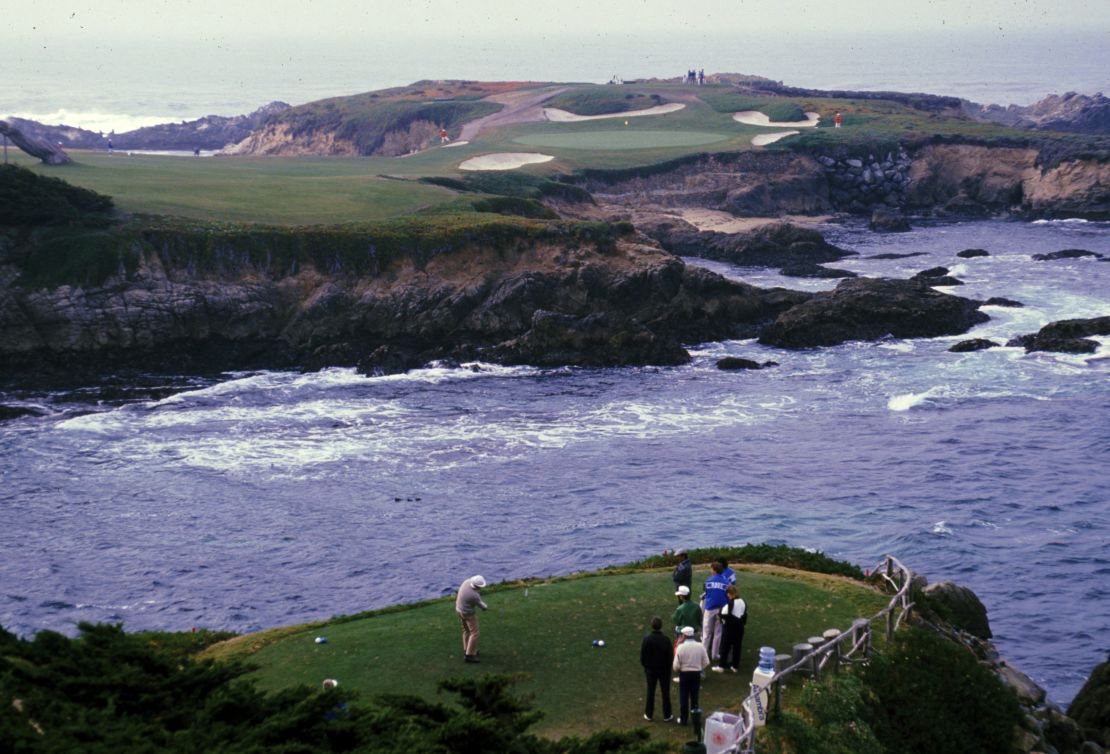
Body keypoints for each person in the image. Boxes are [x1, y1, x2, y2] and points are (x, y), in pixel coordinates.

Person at [673, 626, 710, 726]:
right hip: (696, 674)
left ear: (684, 636)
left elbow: (676, 666)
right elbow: (706, 662)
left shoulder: (680, 647)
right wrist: (698, 667)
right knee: (695, 697)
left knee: (684, 697)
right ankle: (695, 718)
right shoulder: (700, 646)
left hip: (684, 675)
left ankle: (683, 719)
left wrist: (679, 670)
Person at [640, 616, 674, 722]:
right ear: (661, 626)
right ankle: (667, 715)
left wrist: (646, 667)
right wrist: (668, 668)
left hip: (650, 670)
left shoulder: (647, 639)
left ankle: (649, 714)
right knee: (665, 692)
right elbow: (670, 656)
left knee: (650, 691)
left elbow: (643, 656)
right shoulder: (666, 640)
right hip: (664, 670)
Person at [713, 584, 747, 672]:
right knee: (737, 647)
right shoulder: (743, 602)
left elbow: (725, 616)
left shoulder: (730, 604)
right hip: (740, 628)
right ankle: (735, 666)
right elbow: (744, 615)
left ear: (730, 593)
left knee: (725, 647)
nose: (727, 595)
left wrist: (719, 617)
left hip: (730, 628)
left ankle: (721, 666)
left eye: (728, 593)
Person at [455, 574, 488, 663]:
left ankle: (467, 650)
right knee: (475, 633)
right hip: (468, 614)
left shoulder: (466, 582)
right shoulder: (474, 595)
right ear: (477, 586)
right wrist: (485, 607)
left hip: (458, 610)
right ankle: (469, 655)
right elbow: (482, 606)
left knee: (466, 631)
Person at [701, 562, 729, 664]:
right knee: (718, 633)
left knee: (707, 633)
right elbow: (727, 596)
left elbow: (707, 594)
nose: (710, 570)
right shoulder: (726, 582)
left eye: (711, 568)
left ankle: (704, 654)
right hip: (722, 610)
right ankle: (715, 655)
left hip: (710, 609)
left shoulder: (709, 580)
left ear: (715, 570)